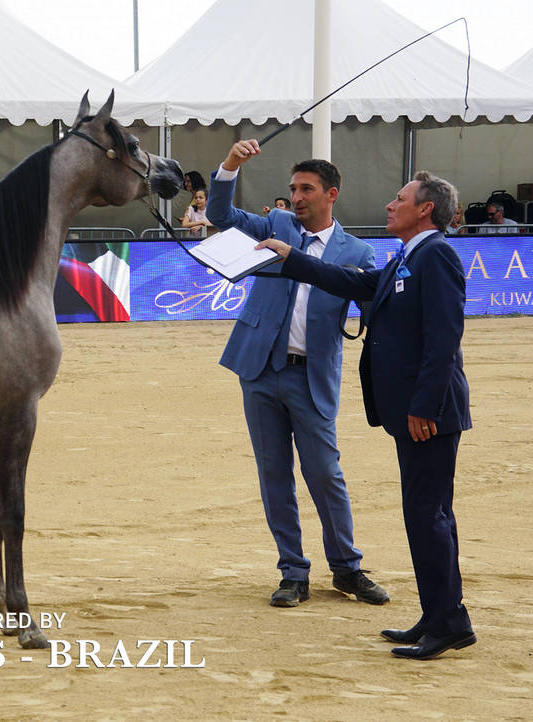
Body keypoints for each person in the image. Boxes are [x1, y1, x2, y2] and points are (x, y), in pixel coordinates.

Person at [257, 171, 475, 661]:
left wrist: (425, 406)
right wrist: (294, 258)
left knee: (429, 517)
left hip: (428, 413)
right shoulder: (408, 255)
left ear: (425, 209)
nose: (389, 205)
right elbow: (356, 282)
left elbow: (444, 337)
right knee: (428, 516)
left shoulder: (436, 255)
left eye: (399, 198)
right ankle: (441, 615)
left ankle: (447, 621)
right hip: (415, 411)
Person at [205, 139, 388, 608]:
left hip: (312, 376)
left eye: (306, 189)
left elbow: (375, 308)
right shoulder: (278, 223)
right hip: (259, 369)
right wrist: (231, 165)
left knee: (325, 474)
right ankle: (293, 572)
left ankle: (346, 568)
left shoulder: (358, 251)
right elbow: (220, 215)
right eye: (293, 189)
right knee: (274, 475)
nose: (297, 197)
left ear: (331, 194)